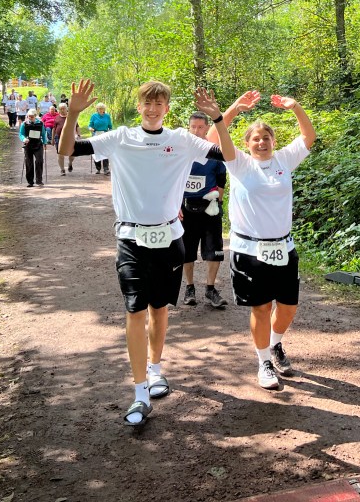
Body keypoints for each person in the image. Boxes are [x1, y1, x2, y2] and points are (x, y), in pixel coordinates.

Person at [58, 79, 235, 427]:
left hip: (170, 237)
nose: (153, 109)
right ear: (139, 107)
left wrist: (218, 119)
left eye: (159, 104)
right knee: (135, 310)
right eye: (147, 103)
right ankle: (140, 393)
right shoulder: (121, 137)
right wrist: (73, 113)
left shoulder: (182, 140)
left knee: (160, 308)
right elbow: (68, 150)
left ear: (167, 108)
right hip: (131, 238)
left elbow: (228, 155)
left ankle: (155, 369)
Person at [213, 91, 316, 391]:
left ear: (273, 140)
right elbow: (214, 137)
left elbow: (308, 137)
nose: (261, 142)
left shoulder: (284, 160)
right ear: (247, 143)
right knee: (260, 307)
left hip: (283, 247)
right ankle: (263, 363)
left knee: (288, 306)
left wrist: (295, 107)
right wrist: (233, 109)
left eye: (266, 137)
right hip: (249, 249)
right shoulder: (239, 163)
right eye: (256, 138)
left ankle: (275, 343)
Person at [180, 111, 229, 309]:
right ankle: (189, 287)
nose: (197, 131)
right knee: (187, 251)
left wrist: (218, 201)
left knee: (214, 251)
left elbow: (221, 179)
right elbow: (172, 180)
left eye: (201, 127)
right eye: (193, 127)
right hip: (186, 208)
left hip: (210, 207)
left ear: (207, 128)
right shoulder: (182, 152)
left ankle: (210, 289)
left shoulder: (214, 152)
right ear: (188, 128)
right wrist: (176, 205)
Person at [19, 108, 46, 187]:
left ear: (35, 116)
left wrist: (45, 143)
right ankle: (30, 181)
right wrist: (24, 139)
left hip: (38, 144)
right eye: (29, 116)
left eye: (32, 116)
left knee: (39, 161)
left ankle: (39, 180)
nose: (30, 118)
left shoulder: (40, 123)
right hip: (28, 145)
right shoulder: (24, 124)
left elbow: (43, 134)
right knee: (29, 163)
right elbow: (21, 134)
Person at [53, 102, 81, 175]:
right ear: (59, 110)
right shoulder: (57, 118)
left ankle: (70, 163)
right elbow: (54, 128)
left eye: (64, 108)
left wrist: (78, 135)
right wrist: (52, 139)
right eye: (61, 109)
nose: (62, 110)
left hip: (70, 138)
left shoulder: (71, 117)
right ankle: (62, 169)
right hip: (59, 138)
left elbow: (77, 126)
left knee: (72, 154)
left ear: (67, 109)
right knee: (60, 154)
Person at [88, 102, 113, 174]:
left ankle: (106, 169)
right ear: (97, 109)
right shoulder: (94, 116)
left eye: (102, 108)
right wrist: (90, 128)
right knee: (96, 151)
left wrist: (110, 133)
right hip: (96, 134)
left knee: (105, 152)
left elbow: (110, 126)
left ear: (104, 109)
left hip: (104, 135)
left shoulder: (107, 116)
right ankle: (98, 168)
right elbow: (90, 125)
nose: (101, 110)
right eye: (99, 108)